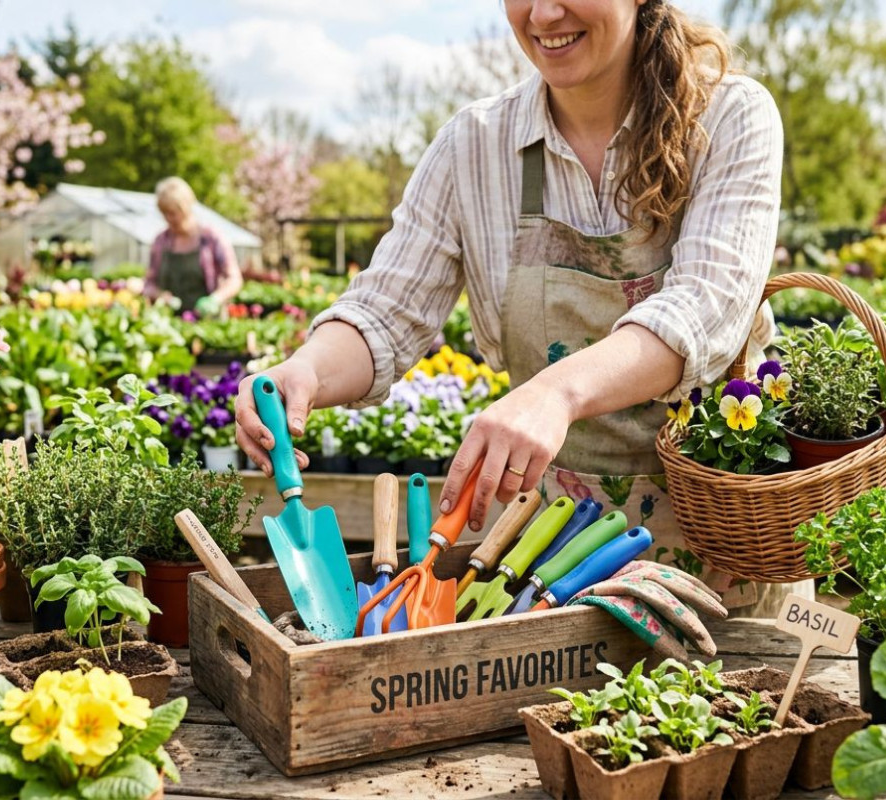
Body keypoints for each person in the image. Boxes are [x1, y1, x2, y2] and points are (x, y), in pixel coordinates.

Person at [236, 0, 785, 606]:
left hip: (719, 551)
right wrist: (306, 370)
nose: (545, 13)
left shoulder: (728, 117)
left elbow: (704, 307)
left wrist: (555, 392)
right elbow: (387, 310)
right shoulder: (476, 146)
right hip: (551, 560)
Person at [144, 177, 243, 316]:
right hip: (170, 323)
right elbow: (148, 284)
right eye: (164, 213)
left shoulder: (211, 239)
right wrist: (160, 295)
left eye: (172, 212)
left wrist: (215, 299)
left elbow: (234, 279)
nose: (168, 218)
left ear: (186, 207)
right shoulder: (161, 242)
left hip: (207, 322)